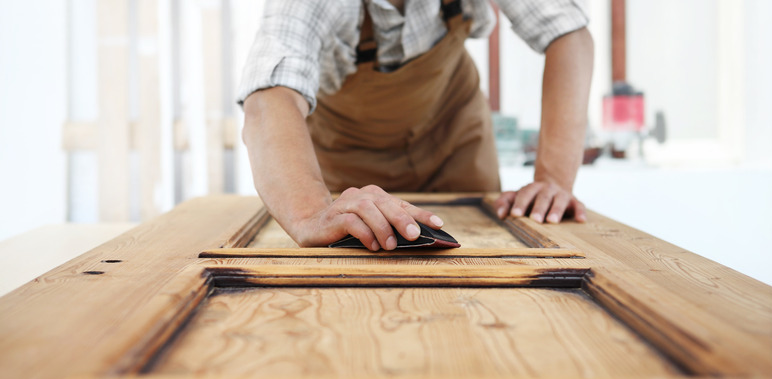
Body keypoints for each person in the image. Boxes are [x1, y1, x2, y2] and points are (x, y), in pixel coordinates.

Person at [238, 0, 593, 251]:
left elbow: (568, 35)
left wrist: (553, 181)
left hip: (455, 135)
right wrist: (309, 213)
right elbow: (270, 96)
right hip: (347, 153)